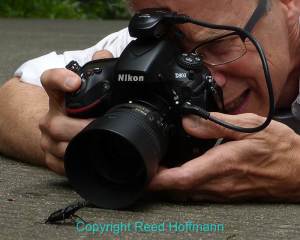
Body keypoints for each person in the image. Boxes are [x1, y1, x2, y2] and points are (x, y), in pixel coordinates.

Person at [1, 0, 300, 202]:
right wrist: (80, 137)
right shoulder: (163, 44)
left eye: (222, 45)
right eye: (179, 53)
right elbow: (11, 97)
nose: (208, 78)